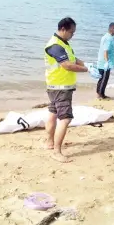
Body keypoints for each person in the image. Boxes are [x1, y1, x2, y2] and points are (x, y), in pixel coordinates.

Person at [44, 17, 101, 163]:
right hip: (60, 87)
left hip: (58, 86)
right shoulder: (55, 45)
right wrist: (86, 69)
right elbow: (67, 65)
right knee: (66, 118)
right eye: (71, 32)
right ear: (63, 29)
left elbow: (73, 59)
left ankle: (49, 142)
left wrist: (87, 64)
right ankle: (57, 151)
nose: (72, 35)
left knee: (53, 112)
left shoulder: (64, 43)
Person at [96, 22, 114, 99]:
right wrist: (107, 62)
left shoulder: (105, 36)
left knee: (101, 78)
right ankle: (101, 95)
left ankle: (100, 94)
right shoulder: (109, 38)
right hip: (105, 63)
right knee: (104, 79)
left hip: (101, 62)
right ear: (112, 29)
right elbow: (105, 51)